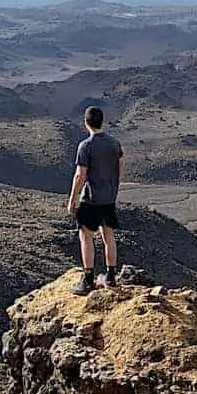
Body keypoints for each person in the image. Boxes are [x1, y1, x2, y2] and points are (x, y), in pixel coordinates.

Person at [67, 105, 124, 295]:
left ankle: (89, 278)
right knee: (109, 236)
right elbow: (120, 168)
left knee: (86, 236)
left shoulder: (86, 146)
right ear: (102, 121)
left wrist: (72, 199)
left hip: (91, 199)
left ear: (86, 123)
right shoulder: (114, 143)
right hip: (109, 198)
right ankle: (111, 276)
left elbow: (80, 175)